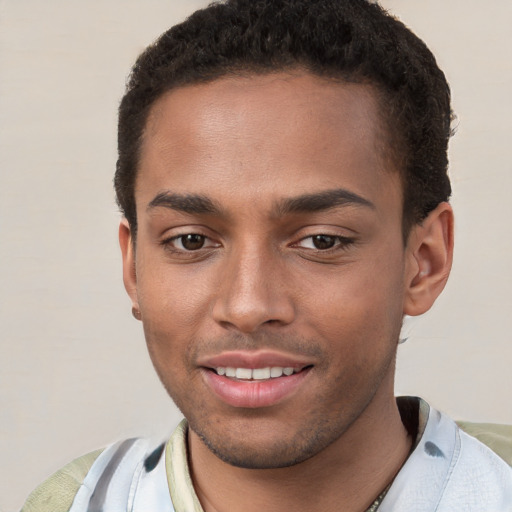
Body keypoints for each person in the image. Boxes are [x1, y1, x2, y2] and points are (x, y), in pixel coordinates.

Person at [22, 0, 512, 511]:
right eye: (191, 241)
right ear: (133, 268)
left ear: (425, 261)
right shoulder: (74, 502)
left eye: (321, 241)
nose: (248, 305)